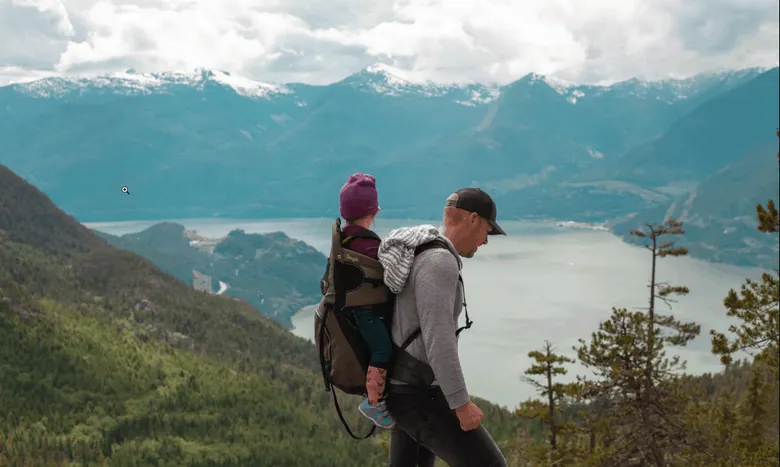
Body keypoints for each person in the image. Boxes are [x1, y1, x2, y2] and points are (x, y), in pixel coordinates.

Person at [377, 187, 509, 467]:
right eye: (488, 230)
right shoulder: (440, 262)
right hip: (421, 396)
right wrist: (461, 405)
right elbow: (439, 341)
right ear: (473, 219)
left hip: (404, 388)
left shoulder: (421, 251)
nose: (486, 241)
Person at [337, 172, 395, 428]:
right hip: (367, 312)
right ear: (374, 211)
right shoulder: (369, 246)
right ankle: (373, 401)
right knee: (382, 349)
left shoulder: (344, 238)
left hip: (350, 310)